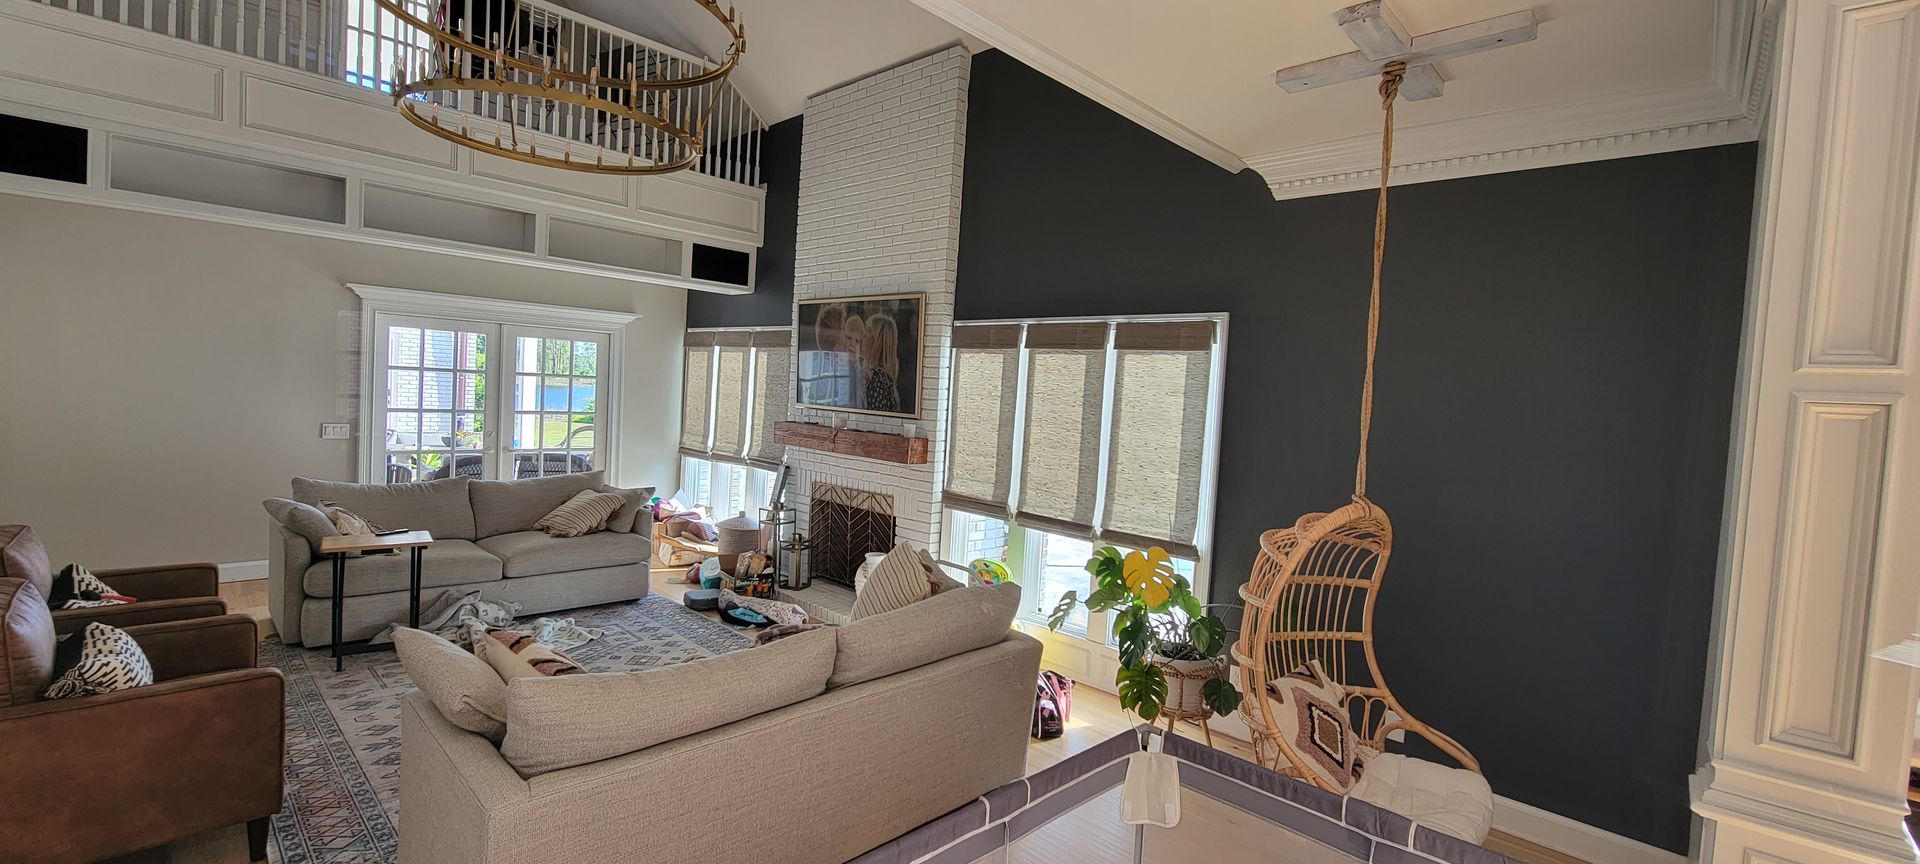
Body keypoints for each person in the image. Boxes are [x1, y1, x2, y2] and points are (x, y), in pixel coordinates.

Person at [862, 312, 901, 414]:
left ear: (876, 343)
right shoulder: (881, 378)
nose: (861, 338)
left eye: (865, 335)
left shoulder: (878, 380)